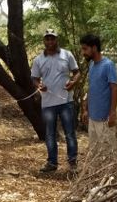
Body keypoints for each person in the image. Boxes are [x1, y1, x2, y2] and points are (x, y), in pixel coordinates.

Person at [31, 29, 80, 173]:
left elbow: (77, 72)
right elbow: (34, 78)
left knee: (70, 132)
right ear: (44, 41)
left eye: (52, 39)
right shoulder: (39, 59)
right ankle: (52, 163)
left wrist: (73, 82)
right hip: (48, 103)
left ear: (56, 40)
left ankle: (73, 163)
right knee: (50, 134)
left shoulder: (67, 55)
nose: (50, 42)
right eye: (47, 39)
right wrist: (39, 85)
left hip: (66, 101)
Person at [80, 33, 117, 151]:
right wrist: (86, 109)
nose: (83, 52)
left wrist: (112, 113)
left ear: (94, 48)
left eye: (85, 49)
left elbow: (115, 89)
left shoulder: (108, 65)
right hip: (92, 117)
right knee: (94, 151)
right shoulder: (92, 65)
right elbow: (92, 87)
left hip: (104, 119)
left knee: (107, 154)